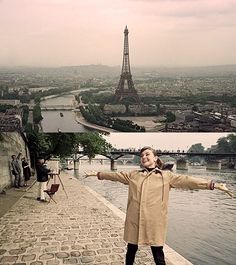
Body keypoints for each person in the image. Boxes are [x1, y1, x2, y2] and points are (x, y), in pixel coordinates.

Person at [85, 146, 233, 265]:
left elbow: (188, 181)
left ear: (155, 158)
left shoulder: (167, 176)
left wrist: (213, 184)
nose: (144, 157)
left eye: (147, 154)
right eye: (142, 156)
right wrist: (97, 173)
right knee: (131, 250)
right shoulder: (133, 175)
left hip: (155, 221)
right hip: (134, 220)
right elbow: (114, 176)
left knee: (158, 254)